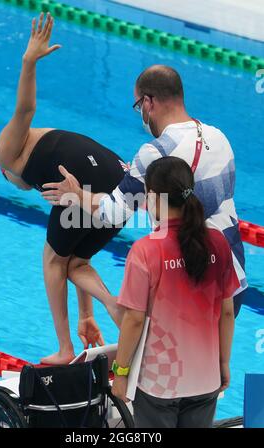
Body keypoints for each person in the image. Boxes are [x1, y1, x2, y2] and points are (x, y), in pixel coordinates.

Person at [42, 65, 247, 318]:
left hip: (187, 285)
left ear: (149, 102)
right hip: (232, 280)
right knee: (210, 357)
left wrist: (76, 193)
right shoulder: (220, 138)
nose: (141, 114)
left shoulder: (154, 153)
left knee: (156, 350)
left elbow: (113, 213)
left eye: (139, 106)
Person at [0, 13, 126, 365]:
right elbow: (76, 251)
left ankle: (65, 348)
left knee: (51, 260)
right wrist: (87, 314)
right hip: (120, 182)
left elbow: (25, 109)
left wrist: (28, 62)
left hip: (86, 180)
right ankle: (112, 306)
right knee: (74, 260)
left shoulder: (6, 154)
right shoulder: (52, 147)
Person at [111, 156, 239, 428]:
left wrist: (120, 372)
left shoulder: (146, 250)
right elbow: (227, 313)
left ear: (154, 196)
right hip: (206, 379)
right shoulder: (218, 242)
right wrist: (223, 362)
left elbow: (133, 320)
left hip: (160, 383)